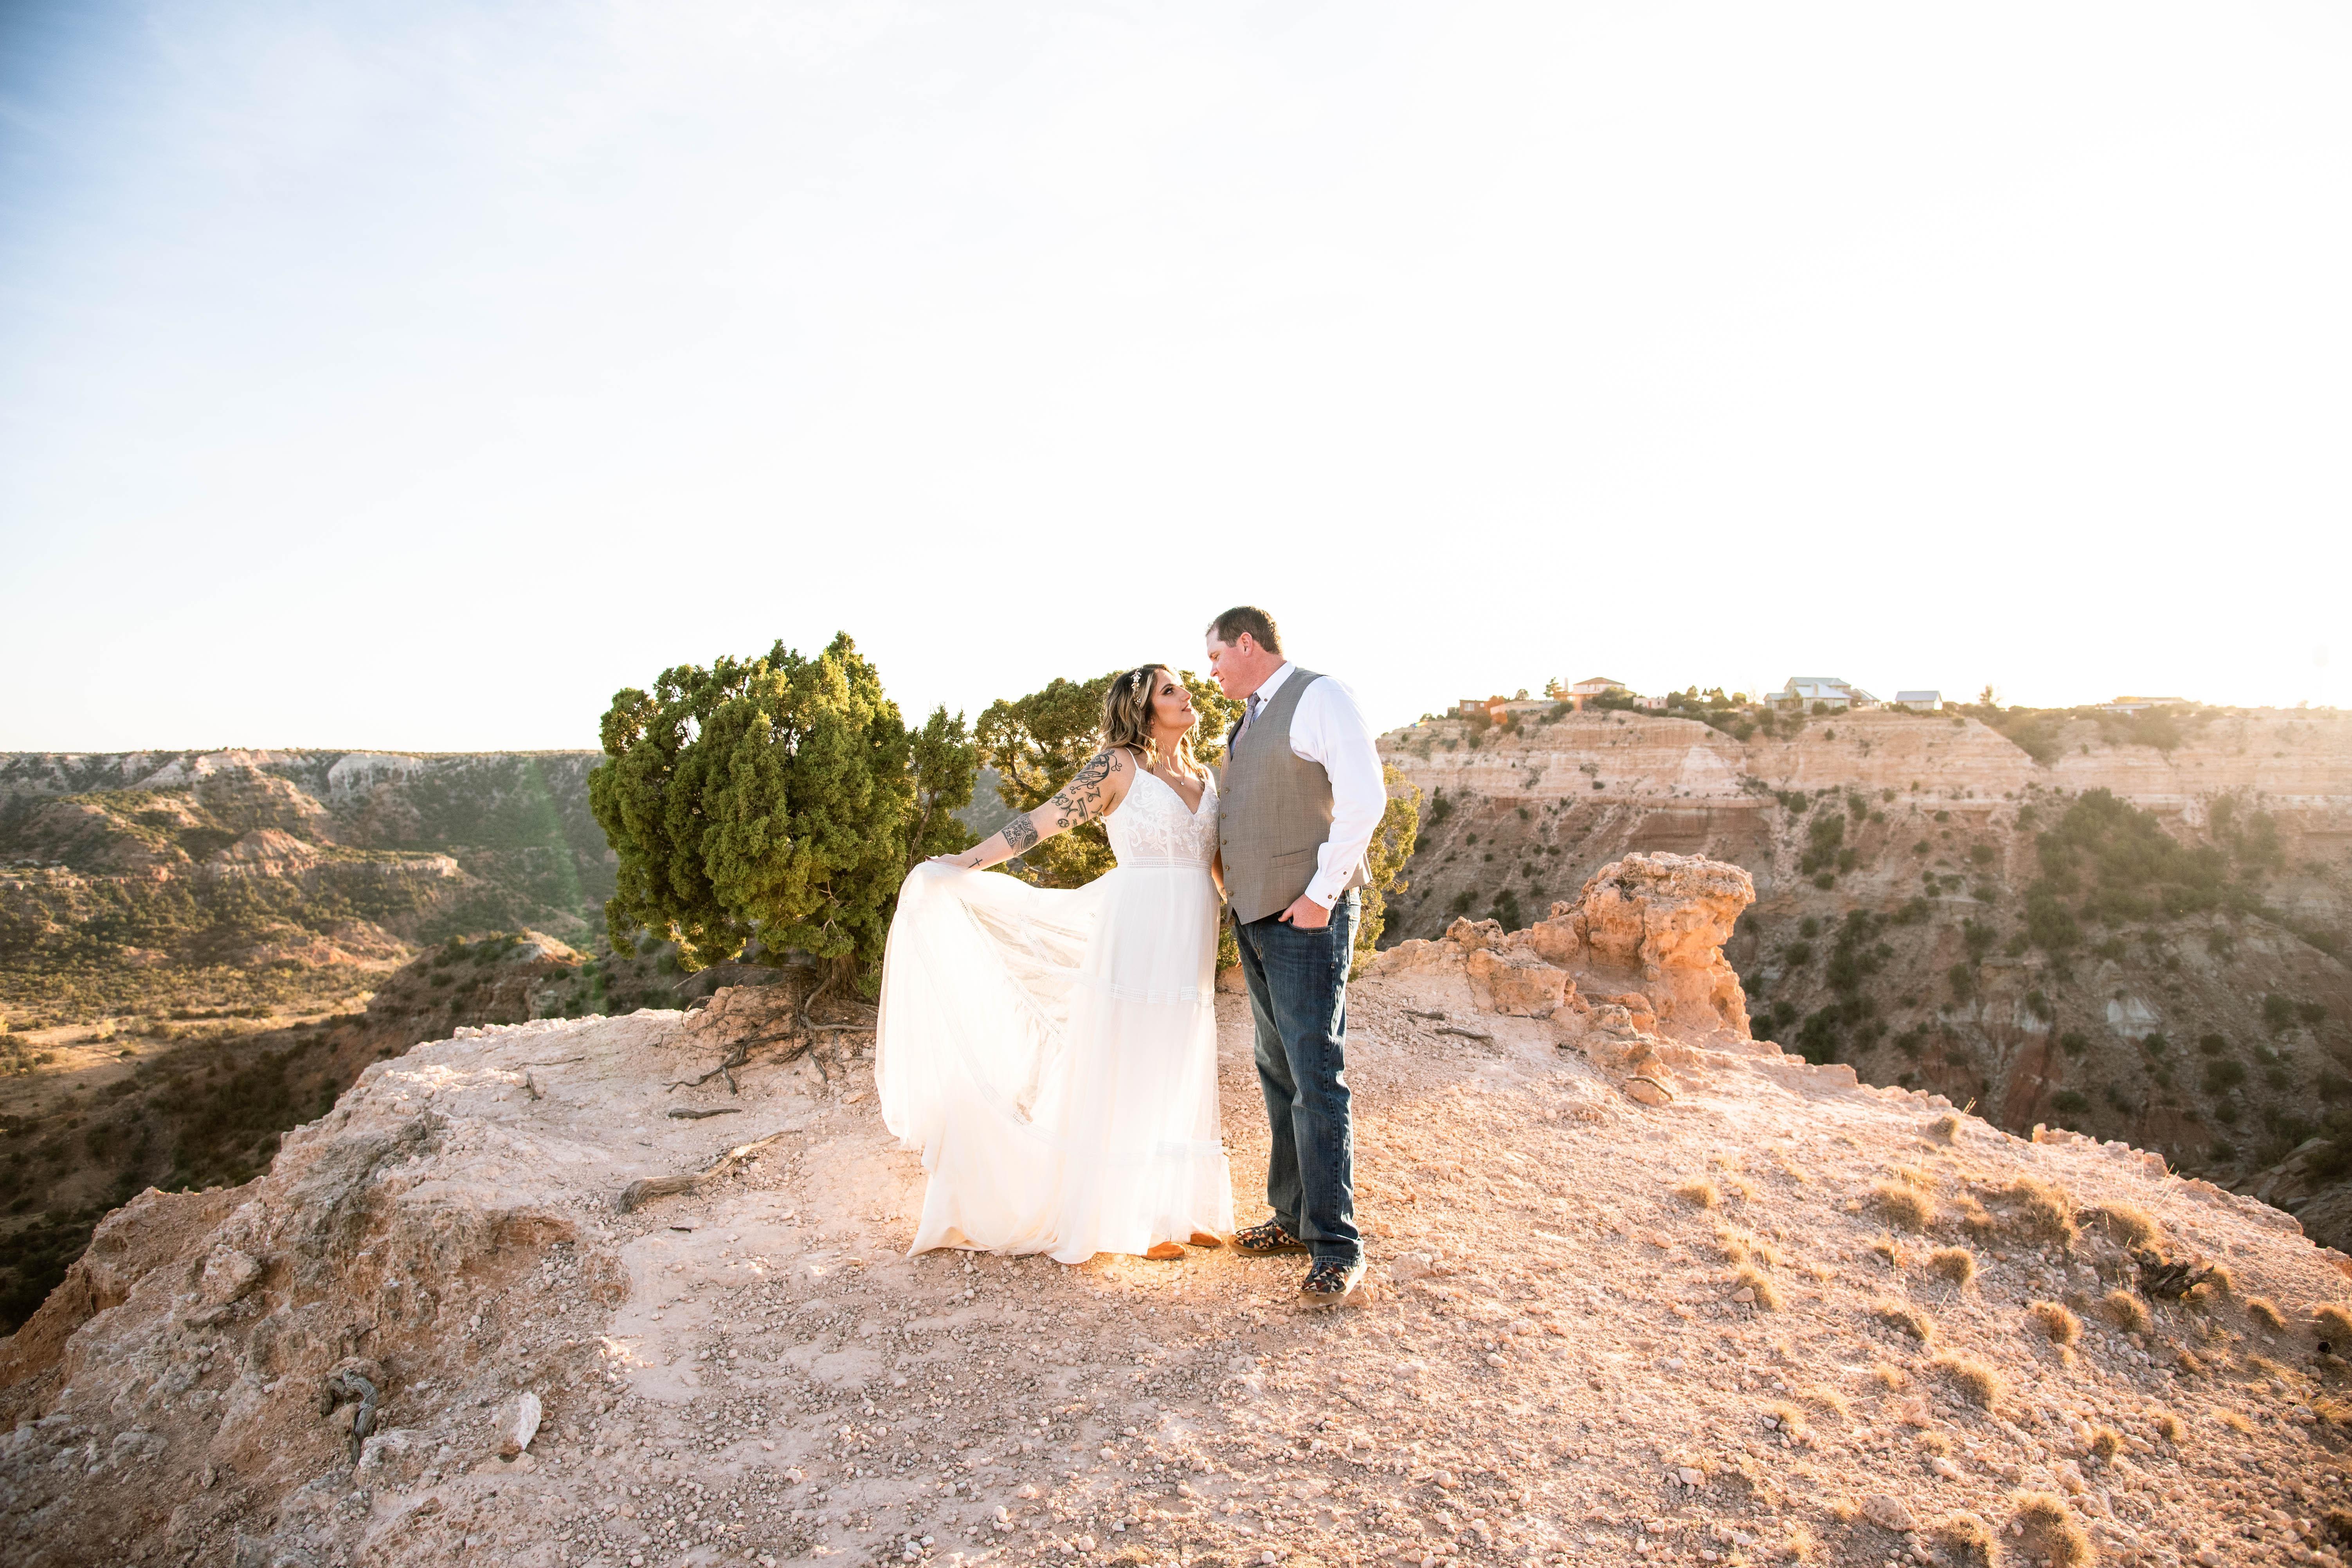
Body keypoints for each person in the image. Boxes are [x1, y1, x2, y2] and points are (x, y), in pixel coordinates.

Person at [875, 666, 1234, 1264]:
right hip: (1138, 926)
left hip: (1192, 930)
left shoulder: (1203, 776)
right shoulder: (1118, 766)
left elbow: (1216, 861)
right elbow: (1042, 821)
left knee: (1178, 1054)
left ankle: (1175, 1207)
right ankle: (1125, 1219)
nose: (1185, 694)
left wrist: (1246, 918)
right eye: (1169, 690)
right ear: (1142, 709)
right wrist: (966, 861)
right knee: (1133, 1058)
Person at [1203, 605, 1385, 1304]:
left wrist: (1319, 896)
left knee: (1315, 1076)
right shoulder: (1247, 719)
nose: (1211, 671)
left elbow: (1364, 800)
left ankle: (1337, 1247)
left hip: (1305, 917)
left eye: (1215, 655)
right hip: (1256, 917)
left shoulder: (1320, 695)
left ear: (1247, 643)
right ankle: (1291, 1219)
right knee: (1277, 1069)